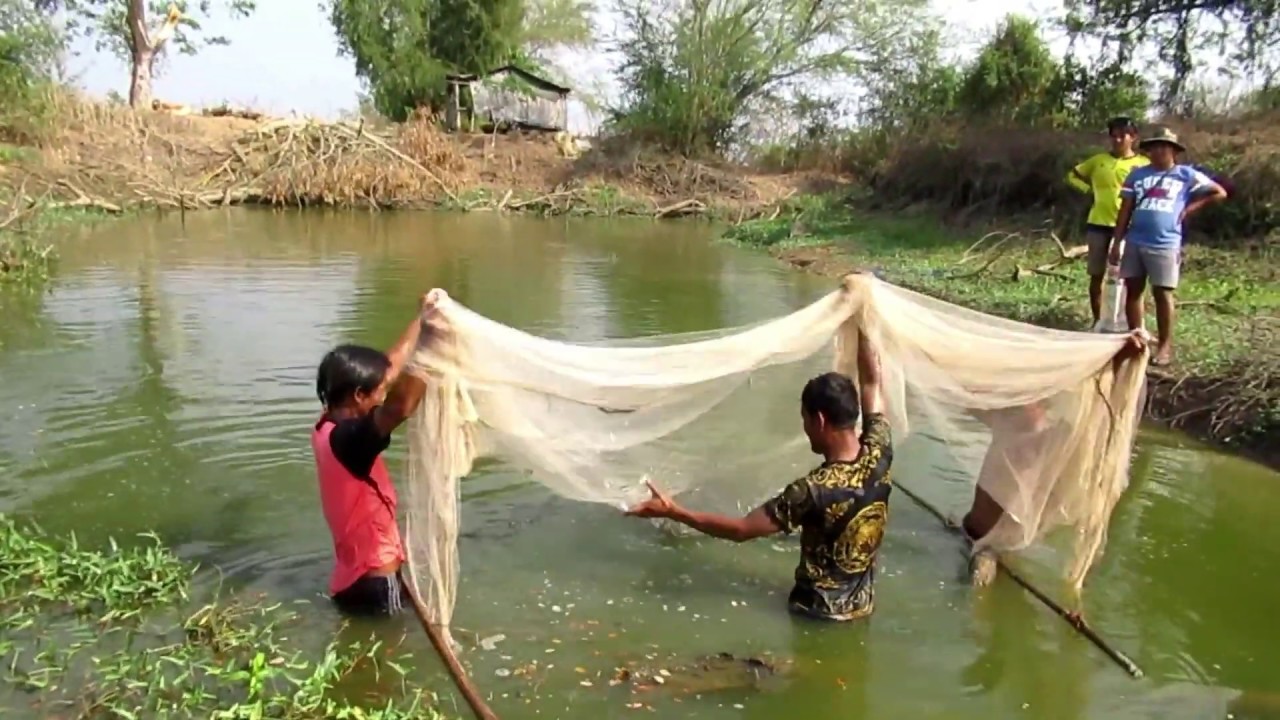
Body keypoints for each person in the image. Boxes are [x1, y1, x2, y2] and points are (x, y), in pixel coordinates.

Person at [626, 329, 891, 621]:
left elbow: (741, 530)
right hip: (862, 610)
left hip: (814, 616)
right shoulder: (880, 451)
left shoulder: (813, 490)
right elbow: (872, 382)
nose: (805, 429)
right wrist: (866, 321)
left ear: (819, 420)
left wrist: (674, 511)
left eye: (804, 419)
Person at [311, 292, 437, 616]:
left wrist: (426, 319)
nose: (383, 395)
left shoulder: (327, 426)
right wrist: (436, 354)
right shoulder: (353, 441)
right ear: (358, 394)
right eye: (378, 392)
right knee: (392, 658)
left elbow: (391, 366)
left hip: (348, 580)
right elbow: (401, 406)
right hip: (378, 581)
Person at [1110, 127, 1228, 366]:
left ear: (1174, 151)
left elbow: (1219, 192)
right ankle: (1137, 338)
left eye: (1165, 147)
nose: (1159, 151)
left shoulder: (1186, 175)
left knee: (1163, 293)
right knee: (1133, 290)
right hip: (1135, 240)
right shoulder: (1137, 175)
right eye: (1155, 147)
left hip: (1165, 242)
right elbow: (1125, 210)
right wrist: (1117, 241)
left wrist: (1189, 209)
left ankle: (1164, 346)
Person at [1066, 116, 1150, 328]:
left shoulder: (1143, 164)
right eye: (1114, 136)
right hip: (1099, 223)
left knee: (1127, 278)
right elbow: (1073, 175)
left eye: (1123, 136)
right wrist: (1088, 190)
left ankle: (1125, 323)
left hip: (1130, 227)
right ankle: (1098, 321)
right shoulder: (1098, 160)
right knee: (1097, 276)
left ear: (1133, 138)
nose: (1118, 140)